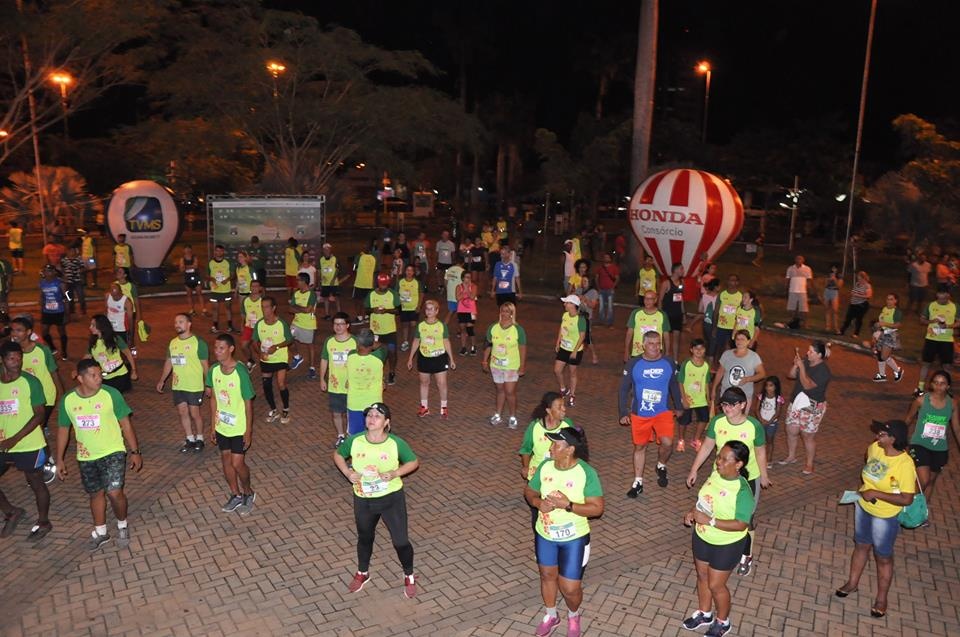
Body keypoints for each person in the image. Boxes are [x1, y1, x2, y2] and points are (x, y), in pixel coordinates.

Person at [333, 402, 420, 598]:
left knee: (401, 541)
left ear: (386, 422)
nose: (371, 419)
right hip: (363, 499)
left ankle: (409, 575)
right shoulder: (355, 441)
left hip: (391, 499)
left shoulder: (395, 443)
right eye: (369, 415)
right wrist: (347, 472)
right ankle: (363, 573)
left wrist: (396, 472)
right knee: (365, 538)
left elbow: (414, 462)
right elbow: (338, 455)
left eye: (377, 416)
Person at [523, 426, 603, 637]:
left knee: (570, 588)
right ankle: (551, 615)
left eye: (556, 444)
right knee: (547, 575)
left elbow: (597, 508)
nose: (550, 448)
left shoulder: (586, 473)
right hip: (545, 534)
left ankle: (573, 615)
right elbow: (530, 490)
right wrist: (538, 502)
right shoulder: (546, 466)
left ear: (569, 450)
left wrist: (568, 505)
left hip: (574, 539)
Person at [55, 357, 142, 549]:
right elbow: (63, 429)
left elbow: (126, 424)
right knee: (95, 494)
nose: (99, 378)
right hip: (86, 456)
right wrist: (59, 458)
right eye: (93, 375)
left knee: (114, 492)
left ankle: (122, 524)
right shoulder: (68, 400)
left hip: (113, 451)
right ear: (80, 378)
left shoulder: (111, 394)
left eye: (99, 374)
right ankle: (101, 532)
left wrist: (135, 451)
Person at [835, 420, 917, 619]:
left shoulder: (905, 464)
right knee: (861, 545)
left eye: (883, 434)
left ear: (893, 439)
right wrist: (865, 491)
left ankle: (881, 599)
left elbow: (907, 497)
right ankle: (852, 583)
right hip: (863, 508)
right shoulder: (874, 448)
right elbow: (868, 466)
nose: (877, 436)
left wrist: (877, 493)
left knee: (883, 557)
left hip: (885, 516)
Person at [687, 386, 771, 576]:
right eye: (724, 404)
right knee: (715, 511)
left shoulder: (753, 426)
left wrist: (764, 474)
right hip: (719, 477)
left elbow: (760, 451)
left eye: (732, 404)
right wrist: (694, 469)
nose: (727, 408)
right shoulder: (717, 422)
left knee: (745, 519)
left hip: (747, 479)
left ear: (743, 404)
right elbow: (708, 445)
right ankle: (718, 548)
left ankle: (745, 554)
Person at [680, 441, 756, 637]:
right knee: (702, 577)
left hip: (727, 544)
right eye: (718, 456)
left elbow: (742, 524)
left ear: (738, 464)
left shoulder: (742, 491)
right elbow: (704, 501)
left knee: (716, 585)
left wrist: (710, 521)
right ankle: (705, 614)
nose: (718, 462)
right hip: (702, 537)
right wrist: (692, 512)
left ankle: (723, 622)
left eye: (724, 459)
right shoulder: (715, 474)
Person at [619, 331, 682, 497]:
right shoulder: (634, 363)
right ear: (643, 345)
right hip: (641, 414)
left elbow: (674, 385)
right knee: (640, 446)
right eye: (651, 343)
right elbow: (624, 389)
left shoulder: (668, 362)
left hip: (663, 412)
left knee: (668, 443)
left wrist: (679, 405)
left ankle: (661, 464)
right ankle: (638, 481)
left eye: (657, 343)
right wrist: (622, 411)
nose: (655, 347)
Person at [0, 341, 51, 541]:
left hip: (29, 443)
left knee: (35, 481)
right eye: (11, 358)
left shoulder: (31, 382)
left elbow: (39, 415)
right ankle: (11, 512)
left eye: (19, 357)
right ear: (3, 360)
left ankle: (44, 521)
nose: (17, 362)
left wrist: (15, 439)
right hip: (4, 443)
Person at [206, 333, 257, 514]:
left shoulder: (240, 372)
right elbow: (213, 399)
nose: (217, 351)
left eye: (221, 348)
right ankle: (235, 494)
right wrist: (213, 425)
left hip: (238, 427)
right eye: (215, 348)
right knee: (226, 460)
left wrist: (248, 431)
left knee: (237, 463)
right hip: (222, 426)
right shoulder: (213, 371)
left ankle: (248, 492)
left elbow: (248, 403)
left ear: (231, 349)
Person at [10, 316, 63, 480]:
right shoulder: (12, 352)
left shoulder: (42, 350)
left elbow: (54, 372)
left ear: (29, 332)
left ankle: (47, 461)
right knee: (34, 430)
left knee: (36, 428)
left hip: (46, 398)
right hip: (25, 400)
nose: (15, 333)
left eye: (19, 330)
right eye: (13, 330)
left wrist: (63, 397)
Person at [156, 313, 210, 453]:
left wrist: (209, 384)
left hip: (194, 385)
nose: (177, 325)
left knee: (195, 413)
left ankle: (200, 438)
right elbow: (169, 362)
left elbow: (205, 365)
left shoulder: (198, 342)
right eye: (175, 322)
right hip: (178, 385)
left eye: (181, 321)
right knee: (182, 412)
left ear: (189, 324)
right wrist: (162, 379)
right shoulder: (173, 343)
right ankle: (189, 438)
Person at [906, 370, 959, 502]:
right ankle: (907, 509)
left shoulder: (952, 404)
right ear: (931, 385)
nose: (938, 386)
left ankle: (921, 514)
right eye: (935, 383)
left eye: (942, 383)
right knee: (923, 481)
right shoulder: (921, 401)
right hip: (919, 444)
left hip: (940, 448)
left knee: (930, 482)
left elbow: (956, 428)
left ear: (948, 386)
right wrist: (897, 437)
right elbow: (908, 419)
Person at [779, 340, 832, 474]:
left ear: (819, 355)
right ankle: (791, 456)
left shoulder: (823, 371)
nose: (807, 353)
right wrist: (795, 365)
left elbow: (807, 385)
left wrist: (802, 368)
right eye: (808, 350)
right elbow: (790, 376)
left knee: (807, 435)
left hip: (812, 405)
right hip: (796, 402)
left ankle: (809, 464)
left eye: (811, 352)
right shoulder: (805, 361)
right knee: (791, 430)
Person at [406, 300, 455, 418]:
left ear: (437, 311)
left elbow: (446, 341)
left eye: (432, 309)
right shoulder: (421, 326)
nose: (429, 311)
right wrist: (410, 358)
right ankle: (424, 407)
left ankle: (444, 408)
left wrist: (452, 359)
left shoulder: (441, 326)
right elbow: (416, 341)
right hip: (424, 357)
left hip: (439, 357)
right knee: (424, 382)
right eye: (427, 309)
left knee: (442, 383)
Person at [482, 302, 527, 429]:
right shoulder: (493, 327)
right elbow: (488, 345)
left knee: (510, 391)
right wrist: (485, 360)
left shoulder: (518, 330)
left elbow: (522, 348)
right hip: (496, 364)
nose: (504, 313)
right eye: (502, 310)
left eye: (507, 311)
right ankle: (498, 414)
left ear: (512, 313)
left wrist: (522, 366)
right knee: (500, 390)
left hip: (511, 366)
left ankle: (512, 416)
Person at [251, 297, 293, 424]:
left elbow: (289, 339)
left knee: (281, 384)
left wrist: (277, 346)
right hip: (266, 360)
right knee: (266, 384)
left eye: (267, 307)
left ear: (273, 308)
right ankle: (274, 410)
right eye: (262, 307)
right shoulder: (259, 324)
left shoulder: (281, 323)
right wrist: (260, 353)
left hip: (280, 358)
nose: (264, 310)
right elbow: (254, 341)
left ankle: (286, 408)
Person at [319, 312, 357, 448]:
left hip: (351, 386)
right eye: (336, 324)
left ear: (347, 325)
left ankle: (351, 435)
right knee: (336, 413)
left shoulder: (355, 342)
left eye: (341, 324)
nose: (338, 327)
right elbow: (324, 359)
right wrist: (322, 379)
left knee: (350, 413)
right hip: (334, 385)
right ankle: (341, 435)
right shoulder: (329, 341)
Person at [916, 285, 958, 397]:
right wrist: (932, 320)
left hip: (946, 340)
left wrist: (948, 326)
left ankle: (947, 389)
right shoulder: (931, 305)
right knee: (926, 363)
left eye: (944, 295)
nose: (941, 297)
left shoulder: (955, 306)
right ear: (937, 294)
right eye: (939, 295)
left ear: (948, 295)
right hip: (931, 338)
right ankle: (919, 389)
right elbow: (922, 320)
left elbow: (958, 322)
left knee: (947, 366)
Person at [345, 329, 388, 436]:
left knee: (354, 436)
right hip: (373, 403)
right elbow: (382, 346)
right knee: (374, 433)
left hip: (354, 403)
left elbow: (355, 351)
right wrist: (374, 343)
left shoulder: (350, 356)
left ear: (358, 343)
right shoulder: (379, 356)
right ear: (372, 344)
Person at [711, 330, 767, 410]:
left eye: (742, 339)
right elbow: (720, 372)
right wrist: (714, 388)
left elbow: (762, 374)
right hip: (726, 393)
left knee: (740, 420)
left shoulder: (754, 357)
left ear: (748, 341)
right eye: (737, 339)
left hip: (744, 396)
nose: (739, 341)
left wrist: (748, 379)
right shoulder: (727, 354)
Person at [677, 339, 711, 453]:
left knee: (704, 419)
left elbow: (706, 383)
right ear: (691, 350)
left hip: (701, 399)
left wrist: (708, 397)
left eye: (701, 348)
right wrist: (684, 399)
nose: (699, 351)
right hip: (688, 398)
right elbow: (680, 382)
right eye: (696, 348)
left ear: (705, 350)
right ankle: (681, 439)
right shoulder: (686, 364)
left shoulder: (706, 365)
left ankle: (696, 439)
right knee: (684, 421)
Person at [88, 314, 137, 392]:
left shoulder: (115, 339)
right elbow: (87, 357)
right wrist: (78, 370)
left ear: (101, 326)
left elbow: (128, 353)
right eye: (91, 325)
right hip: (104, 377)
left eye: (93, 325)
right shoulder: (93, 343)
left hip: (120, 375)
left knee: (111, 397)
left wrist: (134, 371)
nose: (90, 327)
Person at [366, 273, 400, 385]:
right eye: (381, 284)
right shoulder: (371, 295)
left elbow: (398, 310)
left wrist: (387, 310)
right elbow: (366, 310)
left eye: (385, 284)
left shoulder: (393, 294)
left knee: (391, 351)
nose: (383, 286)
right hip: (375, 331)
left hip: (390, 330)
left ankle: (391, 372)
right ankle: (376, 373)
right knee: (375, 352)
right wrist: (373, 310)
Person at [554, 296, 586, 407]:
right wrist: (558, 341)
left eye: (567, 303)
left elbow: (582, 336)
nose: (564, 305)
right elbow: (561, 328)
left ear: (573, 305)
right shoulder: (565, 315)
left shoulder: (580, 319)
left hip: (575, 350)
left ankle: (572, 394)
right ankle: (563, 388)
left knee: (572, 373)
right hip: (564, 347)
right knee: (557, 370)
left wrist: (575, 351)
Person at [623, 290, 670, 362]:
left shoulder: (662, 315)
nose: (647, 301)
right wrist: (626, 350)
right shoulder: (636, 313)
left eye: (650, 299)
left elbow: (666, 336)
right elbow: (629, 333)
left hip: (655, 353)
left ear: (655, 300)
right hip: (637, 352)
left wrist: (667, 352)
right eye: (645, 298)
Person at [289, 273, 318, 379]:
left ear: (304, 282)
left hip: (308, 325)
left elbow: (308, 310)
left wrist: (296, 306)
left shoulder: (311, 294)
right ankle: (297, 357)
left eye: (298, 280)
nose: (297, 282)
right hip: (296, 322)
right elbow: (290, 309)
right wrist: (301, 308)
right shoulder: (296, 294)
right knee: (288, 339)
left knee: (310, 345)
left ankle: (312, 368)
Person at [871, 293, 904, 382]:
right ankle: (882, 375)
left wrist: (884, 324)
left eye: (891, 299)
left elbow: (898, 325)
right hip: (883, 333)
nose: (888, 301)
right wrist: (878, 326)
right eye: (887, 299)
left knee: (884, 356)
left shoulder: (897, 311)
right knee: (880, 354)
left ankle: (898, 370)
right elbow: (882, 321)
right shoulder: (884, 309)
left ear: (895, 301)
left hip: (890, 334)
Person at [710, 275, 742, 365]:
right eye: (730, 280)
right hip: (721, 326)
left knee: (733, 348)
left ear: (737, 282)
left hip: (734, 327)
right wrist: (714, 327)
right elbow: (716, 311)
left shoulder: (740, 296)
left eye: (734, 280)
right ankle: (716, 367)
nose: (732, 282)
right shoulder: (722, 295)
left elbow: (743, 313)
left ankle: (729, 366)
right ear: (727, 282)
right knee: (719, 347)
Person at [754, 376, 785, 469]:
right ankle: (759, 458)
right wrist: (761, 420)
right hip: (762, 422)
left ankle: (769, 459)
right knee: (760, 441)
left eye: (771, 386)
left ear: (776, 387)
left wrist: (769, 421)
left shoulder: (778, 398)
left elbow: (778, 412)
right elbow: (756, 409)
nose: (768, 388)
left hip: (771, 423)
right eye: (766, 386)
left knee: (770, 441)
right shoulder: (761, 396)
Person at [39, 265, 68, 360]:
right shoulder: (42, 283)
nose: (47, 273)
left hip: (59, 311)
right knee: (44, 332)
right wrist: (41, 308)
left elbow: (67, 298)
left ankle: (64, 351)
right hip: (47, 311)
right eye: (46, 271)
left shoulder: (60, 283)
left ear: (54, 272)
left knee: (61, 332)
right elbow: (42, 296)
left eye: (50, 271)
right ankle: (52, 347)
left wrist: (67, 313)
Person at [658, 263, 686, 363]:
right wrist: (660, 315)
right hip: (667, 314)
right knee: (666, 339)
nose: (683, 270)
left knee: (676, 338)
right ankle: (665, 359)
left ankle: (675, 361)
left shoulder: (682, 282)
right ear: (675, 270)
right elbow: (660, 300)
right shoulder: (666, 283)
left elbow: (681, 299)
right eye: (681, 269)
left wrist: (683, 314)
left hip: (677, 314)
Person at [207, 244, 236, 334]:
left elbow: (233, 275)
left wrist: (227, 280)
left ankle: (230, 326)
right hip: (215, 290)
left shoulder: (228, 262)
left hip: (226, 290)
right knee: (215, 309)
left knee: (228, 308)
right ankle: (215, 326)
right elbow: (207, 275)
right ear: (214, 252)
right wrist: (212, 279)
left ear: (223, 252)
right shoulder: (210, 263)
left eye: (220, 251)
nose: (218, 252)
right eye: (217, 250)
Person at [113, 267, 141, 355]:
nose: (118, 273)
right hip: (118, 313)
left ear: (125, 275)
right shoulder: (114, 285)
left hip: (129, 313)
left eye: (120, 272)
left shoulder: (131, 286)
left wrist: (139, 315)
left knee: (130, 333)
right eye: (117, 271)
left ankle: (133, 351)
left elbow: (136, 301)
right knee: (118, 333)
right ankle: (121, 352)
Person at [839, 270, 873, 339]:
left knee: (858, 319)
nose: (858, 279)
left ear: (863, 278)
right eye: (858, 278)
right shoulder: (857, 284)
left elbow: (869, 296)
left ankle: (856, 333)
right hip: (853, 304)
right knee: (848, 318)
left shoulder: (867, 286)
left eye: (860, 278)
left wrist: (858, 295)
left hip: (861, 305)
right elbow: (853, 292)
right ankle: (842, 331)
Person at [240, 279, 264, 371]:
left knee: (256, 346)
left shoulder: (263, 300)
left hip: (260, 328)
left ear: (260, 288)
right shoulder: (245, 300)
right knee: (243, 346)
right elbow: (243, 314)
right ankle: (251, 361)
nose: (254, 288)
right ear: (250, 288)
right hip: (248, 327)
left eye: (256, 286)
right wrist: (242, 326)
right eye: (252, 286)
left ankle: (265, 360)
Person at [397, 265, 422, 353]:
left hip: (413, 307)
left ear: (414, 272)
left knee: (413, 324)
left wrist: (419, 306)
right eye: (407, 270)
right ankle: (405, 341)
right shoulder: (400, 282)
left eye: (411, 270)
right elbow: (396, 293)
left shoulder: (417, 282)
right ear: (405, 271)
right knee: (405, 325)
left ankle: (414, 341)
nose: (409, 272)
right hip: (403, 308)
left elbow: (421, 294)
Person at [351, 243, 377, 325]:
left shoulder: (359, 257)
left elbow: (354, 268)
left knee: (357, 300)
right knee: (366, 302)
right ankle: (366, 317)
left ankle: (359, 317)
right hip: (369, 283)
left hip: (359, 283)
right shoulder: (373, 258)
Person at [179, 245, 208, 317]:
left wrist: (185, 267)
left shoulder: (194, 257)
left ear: (191, 250)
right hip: (187, 278)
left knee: (199, 293)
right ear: (184, 251)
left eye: (189, 249)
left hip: (196, 277)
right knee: (189, 294)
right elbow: (181, 269)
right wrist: (190, 266)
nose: (187, 251)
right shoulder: (182, 259)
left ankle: (203, 309)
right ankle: (192, 310)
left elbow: (196, 266)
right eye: (186, 249)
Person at [785, 255, 812, 329]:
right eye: (797, 259)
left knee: (804, 309)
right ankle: (793, 321)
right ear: (795, 260)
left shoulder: (807, 269)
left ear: (803, 260)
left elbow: (809, 280)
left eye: (800, 259)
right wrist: (786, 288)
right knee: (791, 307)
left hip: (802, 291)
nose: (799, 260)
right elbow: (787, 279)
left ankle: (805, 323)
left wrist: (809, 289)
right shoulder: (790, 268)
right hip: (792, 290)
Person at [318, 243, 344, 319]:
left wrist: (333, 279)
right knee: (325, 298)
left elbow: (338, 270)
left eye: (327, 249)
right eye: (324, 249)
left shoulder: (335, 258)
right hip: (324, 283)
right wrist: (320, 280)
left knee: (336, 298)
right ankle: (327, 314)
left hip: (334, 283)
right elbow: (319, 270)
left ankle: (339, 314)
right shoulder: (321, 259)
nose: (326, 251)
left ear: (330, 250)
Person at [456, 270, 478, 356]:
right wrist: (464, 290)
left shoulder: (474, 286)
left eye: (469, 277)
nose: (468, 279)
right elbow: (457, 298)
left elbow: (472, 297)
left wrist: (467, 290)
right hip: (461, 310)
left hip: (472, 311)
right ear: (462, 278)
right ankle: (463, 347)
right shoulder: (458, 287)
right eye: (466, 277)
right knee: (462, 328)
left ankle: (473, 346)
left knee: (470, 328)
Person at [596, 252, 620, 328]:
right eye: (605, 257)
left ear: (610, 258)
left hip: (610, 290)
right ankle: (601, 322)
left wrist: (613, 287)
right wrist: (598, 288)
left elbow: (617, 278)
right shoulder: (600, 268)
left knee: (610, 307)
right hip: (602, 289)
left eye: (607, 257)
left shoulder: (614, 267)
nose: (606, 259)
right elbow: (596, 278)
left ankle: (609, 323)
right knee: (601, 307)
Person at [62, 242, 86, 317]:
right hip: (68, 282)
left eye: (73, 251)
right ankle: (71, 310)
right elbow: (62, 269)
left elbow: (83, 267)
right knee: (69, 297)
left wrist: (80, 271)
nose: (72, 252)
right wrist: (64, 276)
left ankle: (83, 309)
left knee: (81, 296)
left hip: (77, 281)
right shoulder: (64, 260)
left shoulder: (79, 259)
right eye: (70, 251)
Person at [442, 253, 465, 327]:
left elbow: (445, 281)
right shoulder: (463, 271)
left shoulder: (449, 270)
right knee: (461, 314)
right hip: (459, 296)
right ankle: (459, 331)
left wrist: (448, 289)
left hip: (450, 295)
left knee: (450, 312)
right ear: (463, 263)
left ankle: (444, 328)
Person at [822, 264, 842, 334]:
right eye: (832, 268)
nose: (833, 269)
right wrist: (828, 280)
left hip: (834, 292)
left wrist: (835, 280)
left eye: (835, 268)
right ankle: (828, 326)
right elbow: (824, 285)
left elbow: (839, 286)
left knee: (835, 310)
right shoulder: (828, 275)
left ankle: (836, 327)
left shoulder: (839, 275)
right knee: (827, 309)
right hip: (827, 291)